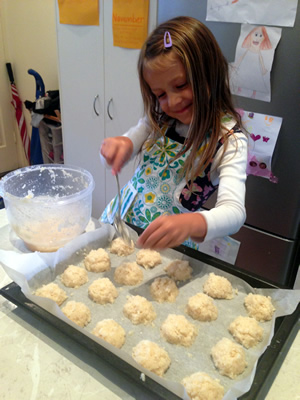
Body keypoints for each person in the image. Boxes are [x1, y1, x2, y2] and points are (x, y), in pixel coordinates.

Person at [100, 16, 248, 250]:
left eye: (181, 85)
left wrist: (193, 222)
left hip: (168, 247)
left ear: (209, 73)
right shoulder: (158, 119)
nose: (173, 101)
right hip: (120, 225)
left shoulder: (230, 141)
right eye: (160, 94)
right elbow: (127, 144)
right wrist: (119, 147)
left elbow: (234, 213)